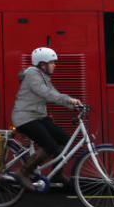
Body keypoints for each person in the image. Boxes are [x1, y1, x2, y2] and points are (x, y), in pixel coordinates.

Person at [10, 47, 81, 190]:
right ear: (43, 64)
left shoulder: (43, 76)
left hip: (37, 116)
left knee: (63, 139)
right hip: (25, 117)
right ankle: (22, 172)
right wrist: (69, 100)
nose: (55, 65)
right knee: (49, 145)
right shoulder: (33, 76)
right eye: (52, 62)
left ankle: (57, 174)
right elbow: (47, 94)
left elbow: (54, 93)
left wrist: (73, 105)